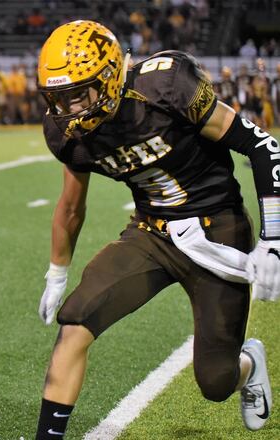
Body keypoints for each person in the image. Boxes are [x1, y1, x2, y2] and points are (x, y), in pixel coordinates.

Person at [33, 20, 279, 439]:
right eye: (58, 98)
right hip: (151, 232)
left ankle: (248, 364)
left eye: (78, 95)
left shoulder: (165, 87)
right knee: (76, 320)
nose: (68, 110)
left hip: (217, 227)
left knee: (216, 381)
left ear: (110, 78)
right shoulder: (66, 132)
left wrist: (274, 239)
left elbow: (263, 148)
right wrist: (57, 273)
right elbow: (71, 207)